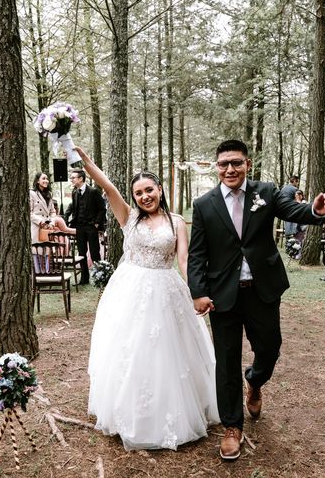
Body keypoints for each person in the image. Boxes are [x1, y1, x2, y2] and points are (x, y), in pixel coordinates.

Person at [187, 139, 325, 460]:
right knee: (226, 361)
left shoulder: (265, 193)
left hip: (262, 289)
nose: (230, 169)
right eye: (224, 164)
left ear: (247, 164)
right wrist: (198, 292)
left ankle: (255, 381)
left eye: (236, 163)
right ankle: (232, 427)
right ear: (217, 167)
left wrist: (313, 211)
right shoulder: (203, 204)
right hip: (223, 294)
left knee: (269, 348)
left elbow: (292, 209)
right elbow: (197, 254)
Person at [77, 146, 219, 451]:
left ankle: (171, 411)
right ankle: (129, 412)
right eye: (139, 192)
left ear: (160, 190)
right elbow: (108, 187)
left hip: (166, 289)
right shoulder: (128, 217)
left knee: (169, 351)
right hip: (129, 289)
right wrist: (87, 163)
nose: (144, 196)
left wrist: (197, 292)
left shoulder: (178, 221)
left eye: (149, 190)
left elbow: (184, 260)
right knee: (130, 349)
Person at [64, 169, 106, 283]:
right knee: (81, 253)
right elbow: (73, 207)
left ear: (81, 178)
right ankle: (84, 279)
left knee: (94, 253)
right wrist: (66, 217)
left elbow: (102, 208)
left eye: (73, 177)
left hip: (91, 227)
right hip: (79, 227)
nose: (71, 179)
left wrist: (97, 223)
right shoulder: (75, 192)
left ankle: (100, 278)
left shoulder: (93, 191)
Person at [29, 172, 75, 244]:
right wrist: (40, 221)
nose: (46, 181)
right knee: (38, 250)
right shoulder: (32, 193)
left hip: (48, 227)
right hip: (37, 226)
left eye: (47, 179)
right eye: (43, 179)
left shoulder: (49, 194)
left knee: (49, 250)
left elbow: (52, 212)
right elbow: (29, 213)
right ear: (38, 181)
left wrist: (52, 222)